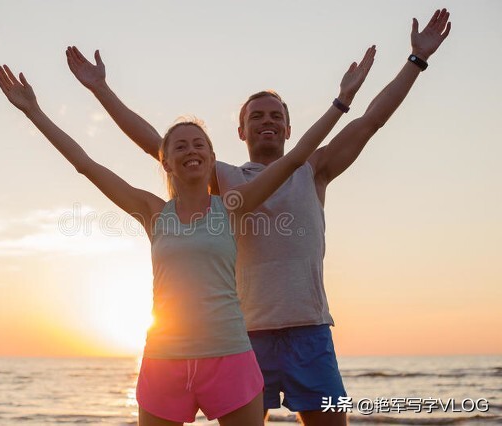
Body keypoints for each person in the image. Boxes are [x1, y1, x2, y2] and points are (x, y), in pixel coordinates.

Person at [64, 8, 450, 425]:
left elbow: (371, 120)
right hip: (242, 338)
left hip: (310, 330)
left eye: (277, 117)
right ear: (240, 133)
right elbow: (156, 144)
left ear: (288, 130)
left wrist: (416, 61)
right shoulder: (222, 178)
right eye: (257, 117)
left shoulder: (313, 168)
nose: (268, 121)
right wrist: (101, 90)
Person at [0, 45, 372, 425]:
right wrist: (35, 111)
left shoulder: (233, 206)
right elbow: (85, 164)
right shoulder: (153, 212)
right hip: (164, 358)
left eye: (199, 144)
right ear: (165, 159)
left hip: (231, 355)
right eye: (180, 145)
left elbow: (296, 157)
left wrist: (342, 101)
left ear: (212, 158)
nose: (191, 149)